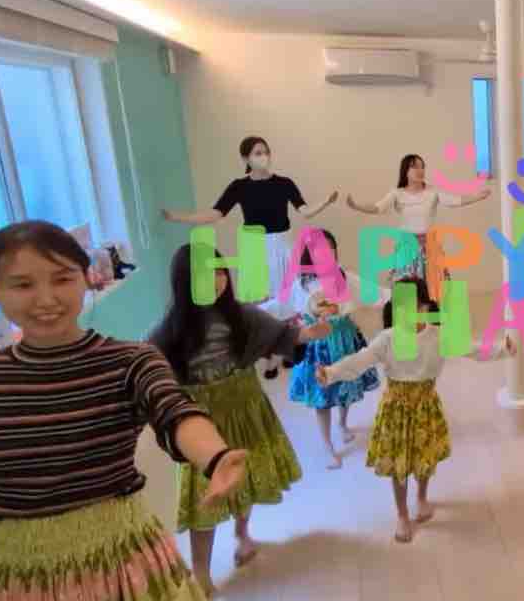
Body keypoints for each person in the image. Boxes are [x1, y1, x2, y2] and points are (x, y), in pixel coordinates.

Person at [0, 221, 247, 601]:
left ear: (87, 276)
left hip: (125, 559)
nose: (46, 299)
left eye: (62, 279)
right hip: (25, 575)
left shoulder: (132, 361)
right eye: (22, 285)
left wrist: (215, 456)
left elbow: (174, 409)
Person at [149, 243, 331, 596]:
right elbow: (149, 367)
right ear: (185, 282)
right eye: (204, 275)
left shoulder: (241, 316)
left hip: (246, 407)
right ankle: (200, 570)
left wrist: (309, 333)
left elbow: (281, 335)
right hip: (201, 423)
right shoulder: (170, 330)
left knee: (245, 475)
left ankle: (242, 533)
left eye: (219, 271)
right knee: (205, 498)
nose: (216, 280)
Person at [318, 278, 516, 543]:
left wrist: (503, 348)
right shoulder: (387, 339)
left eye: (417, 306)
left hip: (426, 408)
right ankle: (402, 514)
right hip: (396, 411)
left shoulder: (439, 335)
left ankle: (422, 498)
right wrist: (330, 373)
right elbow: (359, 361)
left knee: (425, 459)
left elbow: (473, 349)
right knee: (399, 467)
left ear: (426, 307)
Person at [161, 135, 339, 378]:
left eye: (265, 151)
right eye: (257, 152)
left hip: (282, 244)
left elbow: (305, 211)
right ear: (246, 158)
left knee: (288, 297)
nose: (263, 156)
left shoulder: (284, 183)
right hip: (256, 247)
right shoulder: (239, 187)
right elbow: (215, 213)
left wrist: (325, 202)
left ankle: (288, 349)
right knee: (263, 303)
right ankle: (269, 357)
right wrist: (179, 217)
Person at [287, 229, 382, 469]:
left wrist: (405, 294)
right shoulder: (301, 284)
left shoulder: (345, 277)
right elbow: (285, 307)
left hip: (345, 340)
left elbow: (376, 293)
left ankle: (342, 423)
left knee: (346, 387)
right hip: (318, 346)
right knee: (322, 398)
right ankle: (327, 444)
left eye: (330, 248)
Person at [346, 154, 491, 283]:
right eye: (415, 167)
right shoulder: (397, 193)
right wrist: (356, 206)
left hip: (430, 248)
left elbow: (455, 201)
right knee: (407, 292)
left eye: (422, 167)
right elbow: (377, 207)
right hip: (406, 248)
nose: (420, 170)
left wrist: (477, 197)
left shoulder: (432, 191)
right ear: (406, 171)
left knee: (433, 290)